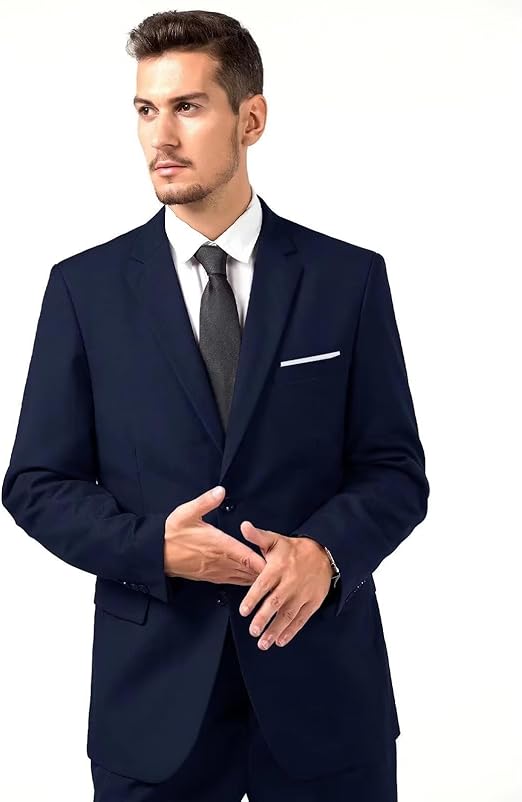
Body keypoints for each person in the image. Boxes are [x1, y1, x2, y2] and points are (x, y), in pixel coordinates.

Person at [1, 9, 429, 801]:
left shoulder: (346, 280)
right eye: (146, 109)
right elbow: (35, 483)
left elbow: (394, 470)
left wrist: (325, 554)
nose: (161, 136)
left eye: (188, 107)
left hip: (325, 696)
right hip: (151, 702)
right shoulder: (85, 291)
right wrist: (153, 549)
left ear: (250, 118)